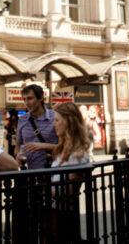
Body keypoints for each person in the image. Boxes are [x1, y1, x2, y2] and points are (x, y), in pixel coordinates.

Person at [48, 102, 92, 241]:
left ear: (68, 122)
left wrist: (42, 189)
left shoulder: (77, 154)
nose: (53, 125)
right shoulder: (62, 149)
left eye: (57, 120)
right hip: (54, 211)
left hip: (63, 217)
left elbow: (69, 192)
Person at [16, 84, 57, 169]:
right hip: (29, 171)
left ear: (40, 98)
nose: (27, 103)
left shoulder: (55, 117)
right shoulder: (22, 119)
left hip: (52, 170)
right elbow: (17, 146)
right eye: (24, 99)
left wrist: (43, 146)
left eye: (30, 98)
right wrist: (18, 155)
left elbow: (65, 147)